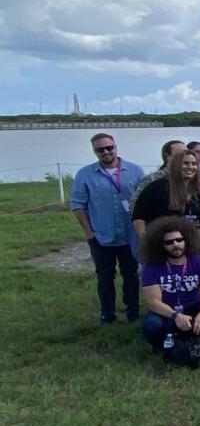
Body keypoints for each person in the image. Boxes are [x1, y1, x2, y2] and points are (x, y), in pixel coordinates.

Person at [71, 133, 145, 324]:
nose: (106, 152)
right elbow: (78, 205)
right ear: (94, 151)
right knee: (105, 277)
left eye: (109, 147)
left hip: (130, 236)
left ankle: (133, 313)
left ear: (115, 147)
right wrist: (90, 233)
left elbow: (145, 202)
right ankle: (107, 315)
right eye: (100, 149)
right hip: (102, 236)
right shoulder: (85, 174)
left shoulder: (135, 171)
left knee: (131, 275)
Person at [139, 217, 200, 351]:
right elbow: (153, 302)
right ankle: (164, 345)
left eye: (179, 240)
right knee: (151, 325)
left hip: (195, 307)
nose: (175, 244)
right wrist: (175, 316)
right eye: (169, 242)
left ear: (186, 240)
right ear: (161, 245)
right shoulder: (151, 267)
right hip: (166, 311)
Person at [132, 148, 200, 237]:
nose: (190, 167)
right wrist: (145, 241)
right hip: (162, 242)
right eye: (185, 163)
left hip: (190, 242)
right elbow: (138, 217)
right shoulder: (157, 188)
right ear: (176, 165)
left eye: (194, 164)